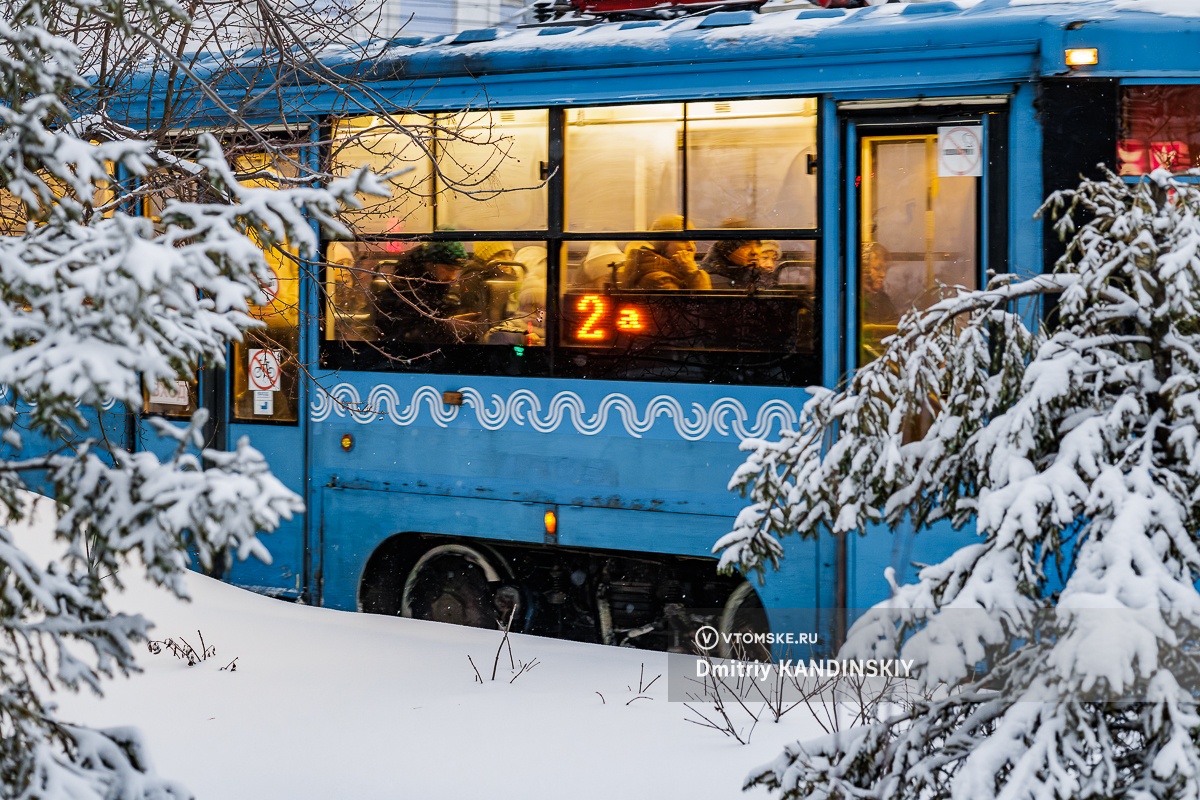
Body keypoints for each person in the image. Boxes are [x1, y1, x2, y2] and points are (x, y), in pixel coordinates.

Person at [372, 241, 477, 343]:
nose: (452, 277)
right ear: (430, 264)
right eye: (448, 268)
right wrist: (448, 328)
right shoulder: (399, 295)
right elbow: (403, 340)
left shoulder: (436, 291)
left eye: (455, 270)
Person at [622, 214, 712, 291]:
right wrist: (694, 273)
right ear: (663, 242)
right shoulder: (659, 280)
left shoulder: (670, 271)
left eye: (694, 242)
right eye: (684, 240)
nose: (692, 247)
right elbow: (700, 307)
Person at [860, 242, 898, 324]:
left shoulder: (883, 300)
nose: (883, 275)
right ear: (863, 269)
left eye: (884, 270)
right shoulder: (851, 299)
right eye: (877, 268)